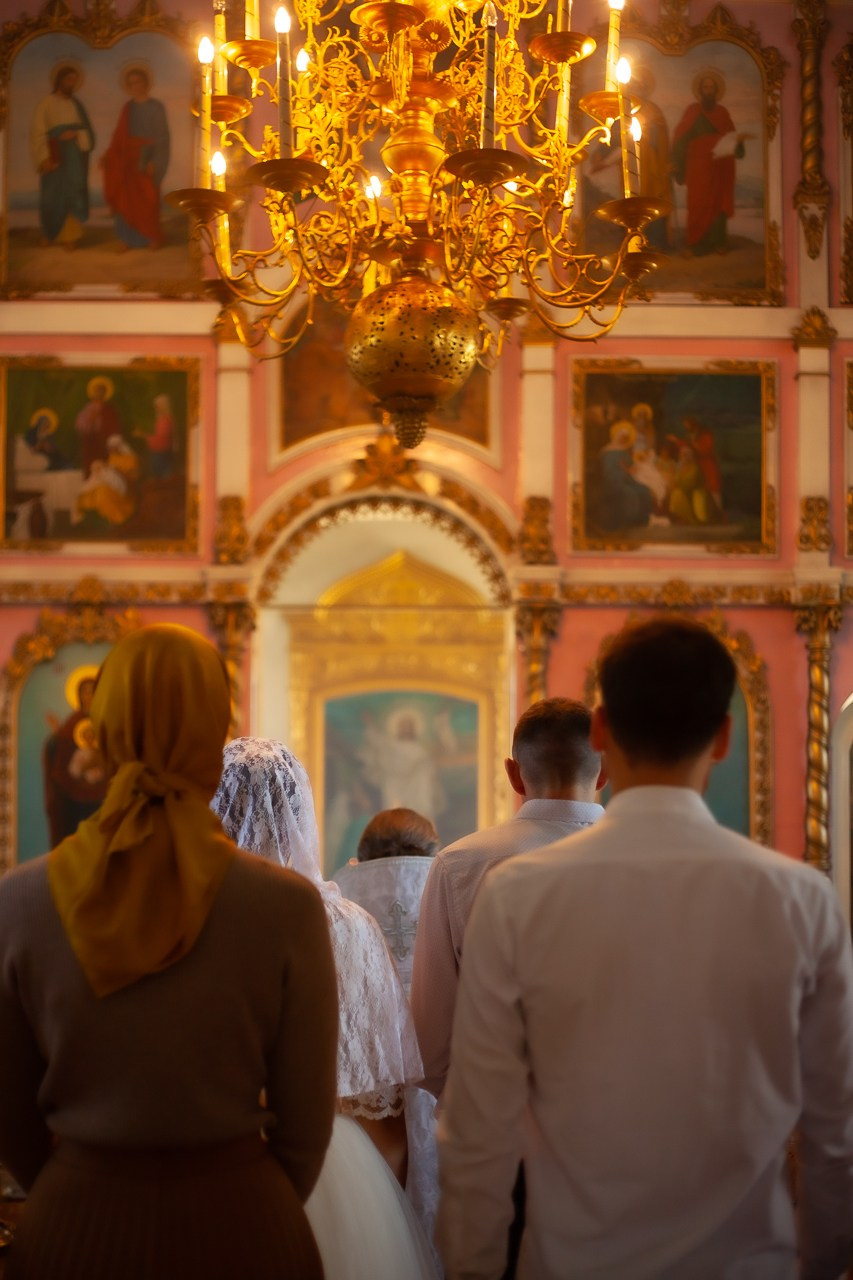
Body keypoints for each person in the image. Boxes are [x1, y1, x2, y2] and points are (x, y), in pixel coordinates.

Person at [437, 616, 853, 1279]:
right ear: (723, 738)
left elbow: (478, 1132)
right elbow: (834, 1133)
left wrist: (471, 1268)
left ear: (602, 731)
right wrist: (822, 1261)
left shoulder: (516, 896)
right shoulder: (802, 899)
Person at [0, 625, 338, 1280]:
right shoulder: (287, 906)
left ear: (102, 728)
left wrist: (83, 1186)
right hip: (246, 1230)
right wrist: (240, 1195)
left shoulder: (18, 900)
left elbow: (10, 1115)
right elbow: (305, 1130)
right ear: (215, 732)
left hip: (73, 1231)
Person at [211, 737, 439, 1280]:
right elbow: (382, 1115)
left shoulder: (175, 919)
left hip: (200, 1157)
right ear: (300, 817)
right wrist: (385, 1213)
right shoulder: (347, 925)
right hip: (331, 1169)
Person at [411, 697, 605, 1100]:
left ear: (513, 775)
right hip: (625, 1118)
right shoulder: (653, 861)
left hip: (497, 1117)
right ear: (604, 772)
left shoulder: (459, 865)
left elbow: (430, 1043)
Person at [335, 807, 442, 1262]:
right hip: (444, 1084)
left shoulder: (339, 898)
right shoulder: (450, 885)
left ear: (362, 854)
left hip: (366, 1094)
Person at [672, 68, 750, 256]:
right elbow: (681, 138)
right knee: (697, 203)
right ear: (700, 90)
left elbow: (731, 136)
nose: (708, 90)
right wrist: (675, 162)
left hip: (719, 166)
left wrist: (738, 144)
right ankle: (695, 244)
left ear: (716, 91)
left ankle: (718, 242)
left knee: (718, 204)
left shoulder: (722, 112)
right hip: (698, 166)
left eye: (711, 87)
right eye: (705, 87)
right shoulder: (692, 111)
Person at [100, 66, 170, 251]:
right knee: (126, 198)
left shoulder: (156, 107)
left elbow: (162, 137)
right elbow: (119, 136)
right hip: (128, 159)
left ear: (146, 83)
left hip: (147, 157)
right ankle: (126, 239)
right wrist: (109, 155)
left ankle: (151, 236)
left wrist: (156, 161)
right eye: (131, 83)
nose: (135, 86)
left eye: (138, 82)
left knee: (148, 198)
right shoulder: (128, 108)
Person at [29, 64, 94, 248]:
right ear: (59, 80)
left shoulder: (76, 105)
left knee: (72, 193)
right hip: (54, 155)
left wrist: (76, 134)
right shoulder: (45, 103)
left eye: (74, 80)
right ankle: (49, 233)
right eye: (69, 79)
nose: (71, 83)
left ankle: (70, 237)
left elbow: (88, 132)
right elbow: (37, 133)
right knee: (51, 195)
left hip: (73, 158)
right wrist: (44, 157)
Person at [42, 666, 105, 847]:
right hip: (74, 796)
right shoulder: (72, 723)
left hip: (103, 794)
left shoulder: (106, 721)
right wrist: (57, 736)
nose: (89, 696)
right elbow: (60, 755)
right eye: (85, 692)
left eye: (93, 692)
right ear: (79, 696)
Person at [74, 376, 123, 478]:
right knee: (90, 465)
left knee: (104, 465)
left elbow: (115, 426)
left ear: (105, 393)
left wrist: (112, 439)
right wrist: (90, 421)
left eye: (101, 391)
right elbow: (80, 424)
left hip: (104, 442)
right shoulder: (88, 407)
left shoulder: (109, 409)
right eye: (97, 391)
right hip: (90, 441)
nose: (99, 394)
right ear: (93, 393)